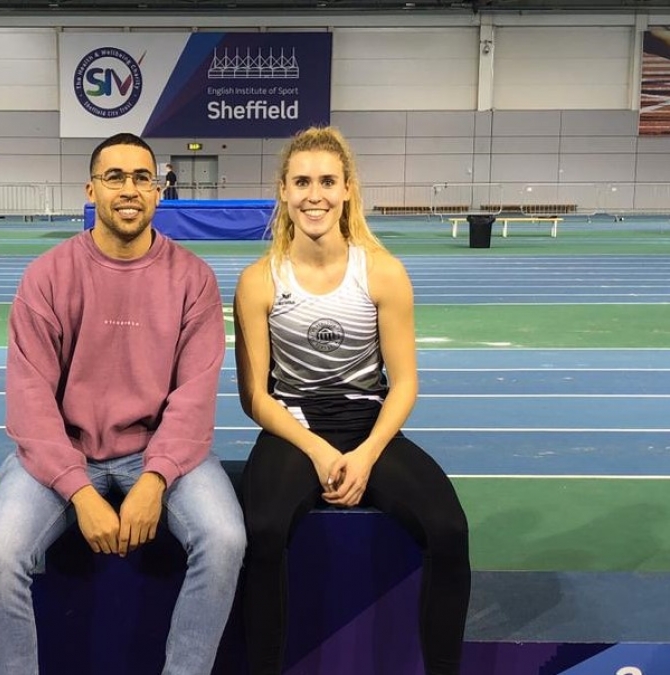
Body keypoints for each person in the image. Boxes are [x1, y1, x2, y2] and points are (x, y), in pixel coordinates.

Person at [0, 132, 246, 675]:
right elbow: (29, 401)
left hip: (158, 453)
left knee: (225, 539)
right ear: (91, 188)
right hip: (65, 454)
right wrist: (79, 492)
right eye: (115, 177)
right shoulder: (48, 276)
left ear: (158, 191)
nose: (129, 189)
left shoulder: (193, 279)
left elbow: (193, 399)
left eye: (142, 178)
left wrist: (155, 480)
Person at [233, 126, 470, 675]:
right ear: (284, 192)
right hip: (291, 426)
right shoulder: (258, 282)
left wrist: (365, 455)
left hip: (368, 422)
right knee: (264, 531)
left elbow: (404, 382)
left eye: (326, 182)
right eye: (301, 182)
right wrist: (316, 451)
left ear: (346, 191)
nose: (314, 195)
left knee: (450, 530)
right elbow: (254, 397)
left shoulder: (382, 272)